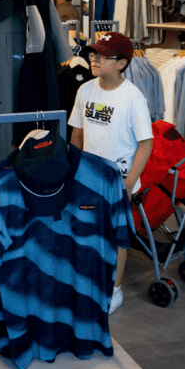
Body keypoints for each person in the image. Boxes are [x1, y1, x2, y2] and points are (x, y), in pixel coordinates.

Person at [68, 32, 153, 314]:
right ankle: (89, 281)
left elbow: (146, 144)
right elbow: (77, 134)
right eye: (94, 54)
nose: (95, 59)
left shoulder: (132, 97)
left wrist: (129, 184)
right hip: (88, 176)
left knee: (116, 237)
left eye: (104, 56)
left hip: (118, 180)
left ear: (121, 63)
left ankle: (115, 289)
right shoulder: (85, 90)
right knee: (86, 232)